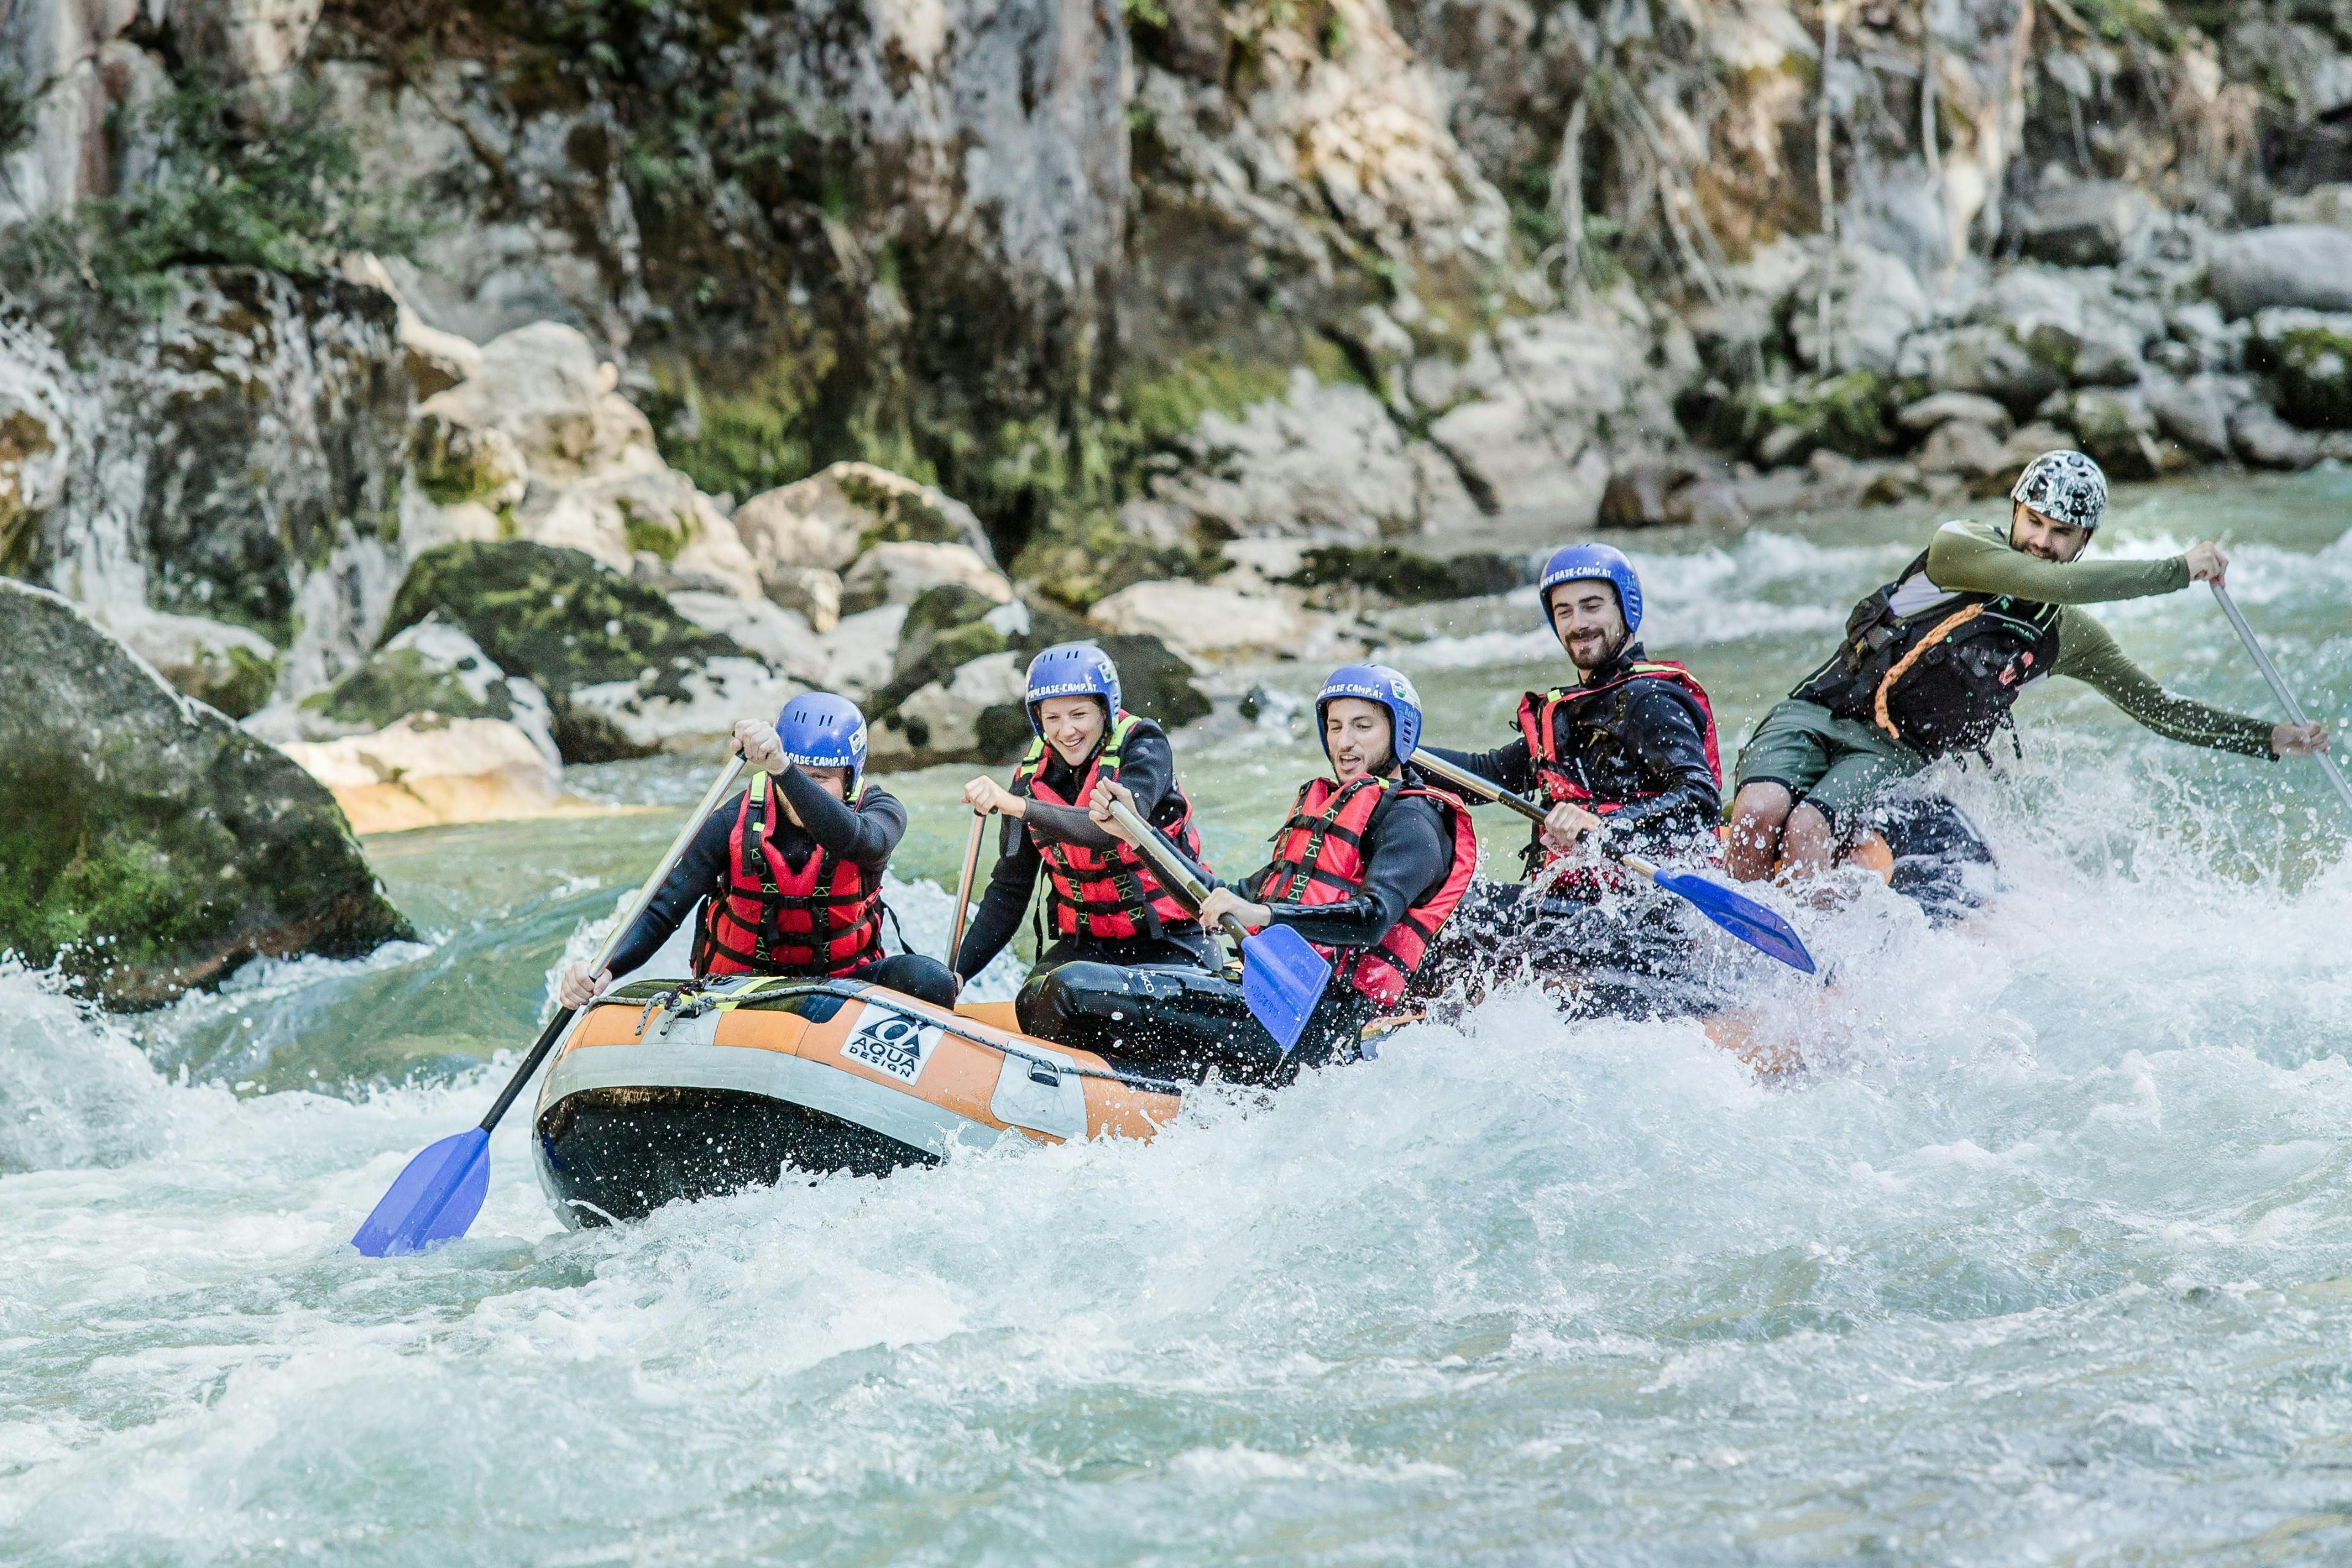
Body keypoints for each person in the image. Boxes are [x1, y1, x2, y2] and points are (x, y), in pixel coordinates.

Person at [1727, 450, 2332, 883]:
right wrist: (2179, 569)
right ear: (2015, 511)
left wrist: (2272, 739)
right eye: (2034, 522)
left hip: (1887, 753)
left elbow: (2160, 710)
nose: (2042, 541)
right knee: (1758, 814)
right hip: (1816, 711)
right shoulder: (1960, 548)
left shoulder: (2067, 636)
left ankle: (1783, 969)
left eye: (2061, 533)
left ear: (2085, 541)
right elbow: (2043, 580)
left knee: (1805, 828)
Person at [1027, 664, 1479, 1081]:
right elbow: (1212, 896)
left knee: (1069, 989)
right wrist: (1140, 836)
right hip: (1270, 998)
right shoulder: (1328, 810)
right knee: (1037, 995)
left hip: (1320, 1024)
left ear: (1399, 733)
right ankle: (1143, 1094)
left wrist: (1262, 915)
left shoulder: (1414, 822)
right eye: (1336, 727)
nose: (1345, 743)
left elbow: (1372, 918)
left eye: (1363, 727)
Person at [1415, 543, 1728, 1013]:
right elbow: (1488, 774)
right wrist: (1396, 752)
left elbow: (1700, 798)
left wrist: (1606, 826)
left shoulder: (1649, 701)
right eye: (1563, 611)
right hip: (1580, 906)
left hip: (1644, 916)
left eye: (1592, 606)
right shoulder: (1576, 709)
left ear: (1627, 608)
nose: (1578, 623)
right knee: (1452, 911)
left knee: (1459, 920)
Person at [556, 693, 958, 1010]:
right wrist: (606, 967)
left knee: (933, 981)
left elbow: (861, 842)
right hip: (740, 990)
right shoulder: (730, 822)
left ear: (850, 780)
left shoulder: (880, 813)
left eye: (822, 779)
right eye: (800, 777)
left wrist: (786, 770)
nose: (805, 792)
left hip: (844, 986)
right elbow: (663, 910)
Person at [953, 643, 1215, 1012]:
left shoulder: (1145, 748)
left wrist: (1017, 806)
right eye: (1052, 718)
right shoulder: (1029, 780)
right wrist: (958, 975)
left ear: (1105, 711)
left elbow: (1108, 826)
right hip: (1089, 946)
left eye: (1079, 714)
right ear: (1037, 720)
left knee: (1071, 992)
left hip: (1173, 941)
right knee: (1038, 1000)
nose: (1067, 731)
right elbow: (1010, 891)